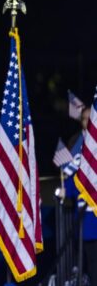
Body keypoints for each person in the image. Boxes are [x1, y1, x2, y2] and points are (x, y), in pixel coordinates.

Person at [65, 107, 97, 285]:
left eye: (90, 118)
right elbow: (71, 174)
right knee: (85, 260)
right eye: (84, 119)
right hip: (85, 215)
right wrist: (66, 189)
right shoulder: (77, 143)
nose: (88, 121)